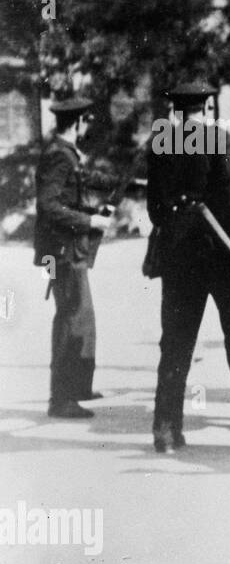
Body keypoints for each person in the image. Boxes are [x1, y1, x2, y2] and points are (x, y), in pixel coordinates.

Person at [146, 81, 230, 453]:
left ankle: (166, 433)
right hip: (220, 252)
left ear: (176, 109)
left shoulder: (160, 142)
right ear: (207, 106)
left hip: (179, 256)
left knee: (176, 345)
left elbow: (154, 208)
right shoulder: (218, 138)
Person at [35, 97, 117, 418]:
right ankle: (61, 399)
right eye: (87, 121)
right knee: (71, 319)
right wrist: (90, 221)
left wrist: (98, 205)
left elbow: (75, 191)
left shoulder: (64, 153)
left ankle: (78, 386)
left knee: (81, 317)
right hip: (60, 253)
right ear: (80, 121)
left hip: (63, 250)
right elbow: (49, 206)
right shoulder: (60, 156)